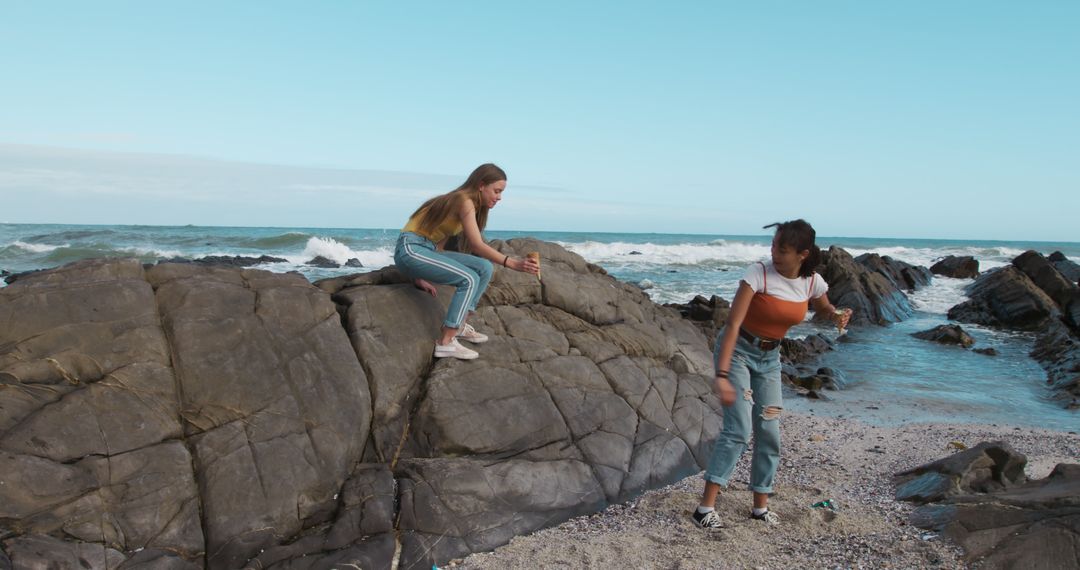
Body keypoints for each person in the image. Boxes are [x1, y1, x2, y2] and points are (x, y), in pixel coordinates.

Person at [692, 219, 851, 528]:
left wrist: (837, 315)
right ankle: (704, 509)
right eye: (774, 245)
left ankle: (760, 507)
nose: (774, 252)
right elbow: (733, 325)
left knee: (769, 431)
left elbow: (823, 306)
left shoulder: (811, 281)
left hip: (770, 359)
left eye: (783, 249)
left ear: (802, 254)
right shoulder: (758, 274)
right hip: (737, 351)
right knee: (738, 429)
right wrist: (722, 376)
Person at [393, 163, 539, 360]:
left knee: (484, 267)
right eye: (496, 191)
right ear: (481, 185)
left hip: (425, 251)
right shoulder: (463, 201)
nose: (499, 197)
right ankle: (446, 342)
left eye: (501, 192)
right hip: (410, 248)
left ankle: (460, 324)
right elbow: (477, 245)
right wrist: (512, 263)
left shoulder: (467, 207)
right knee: (469, 278)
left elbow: (439, 249)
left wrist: (419, 275)